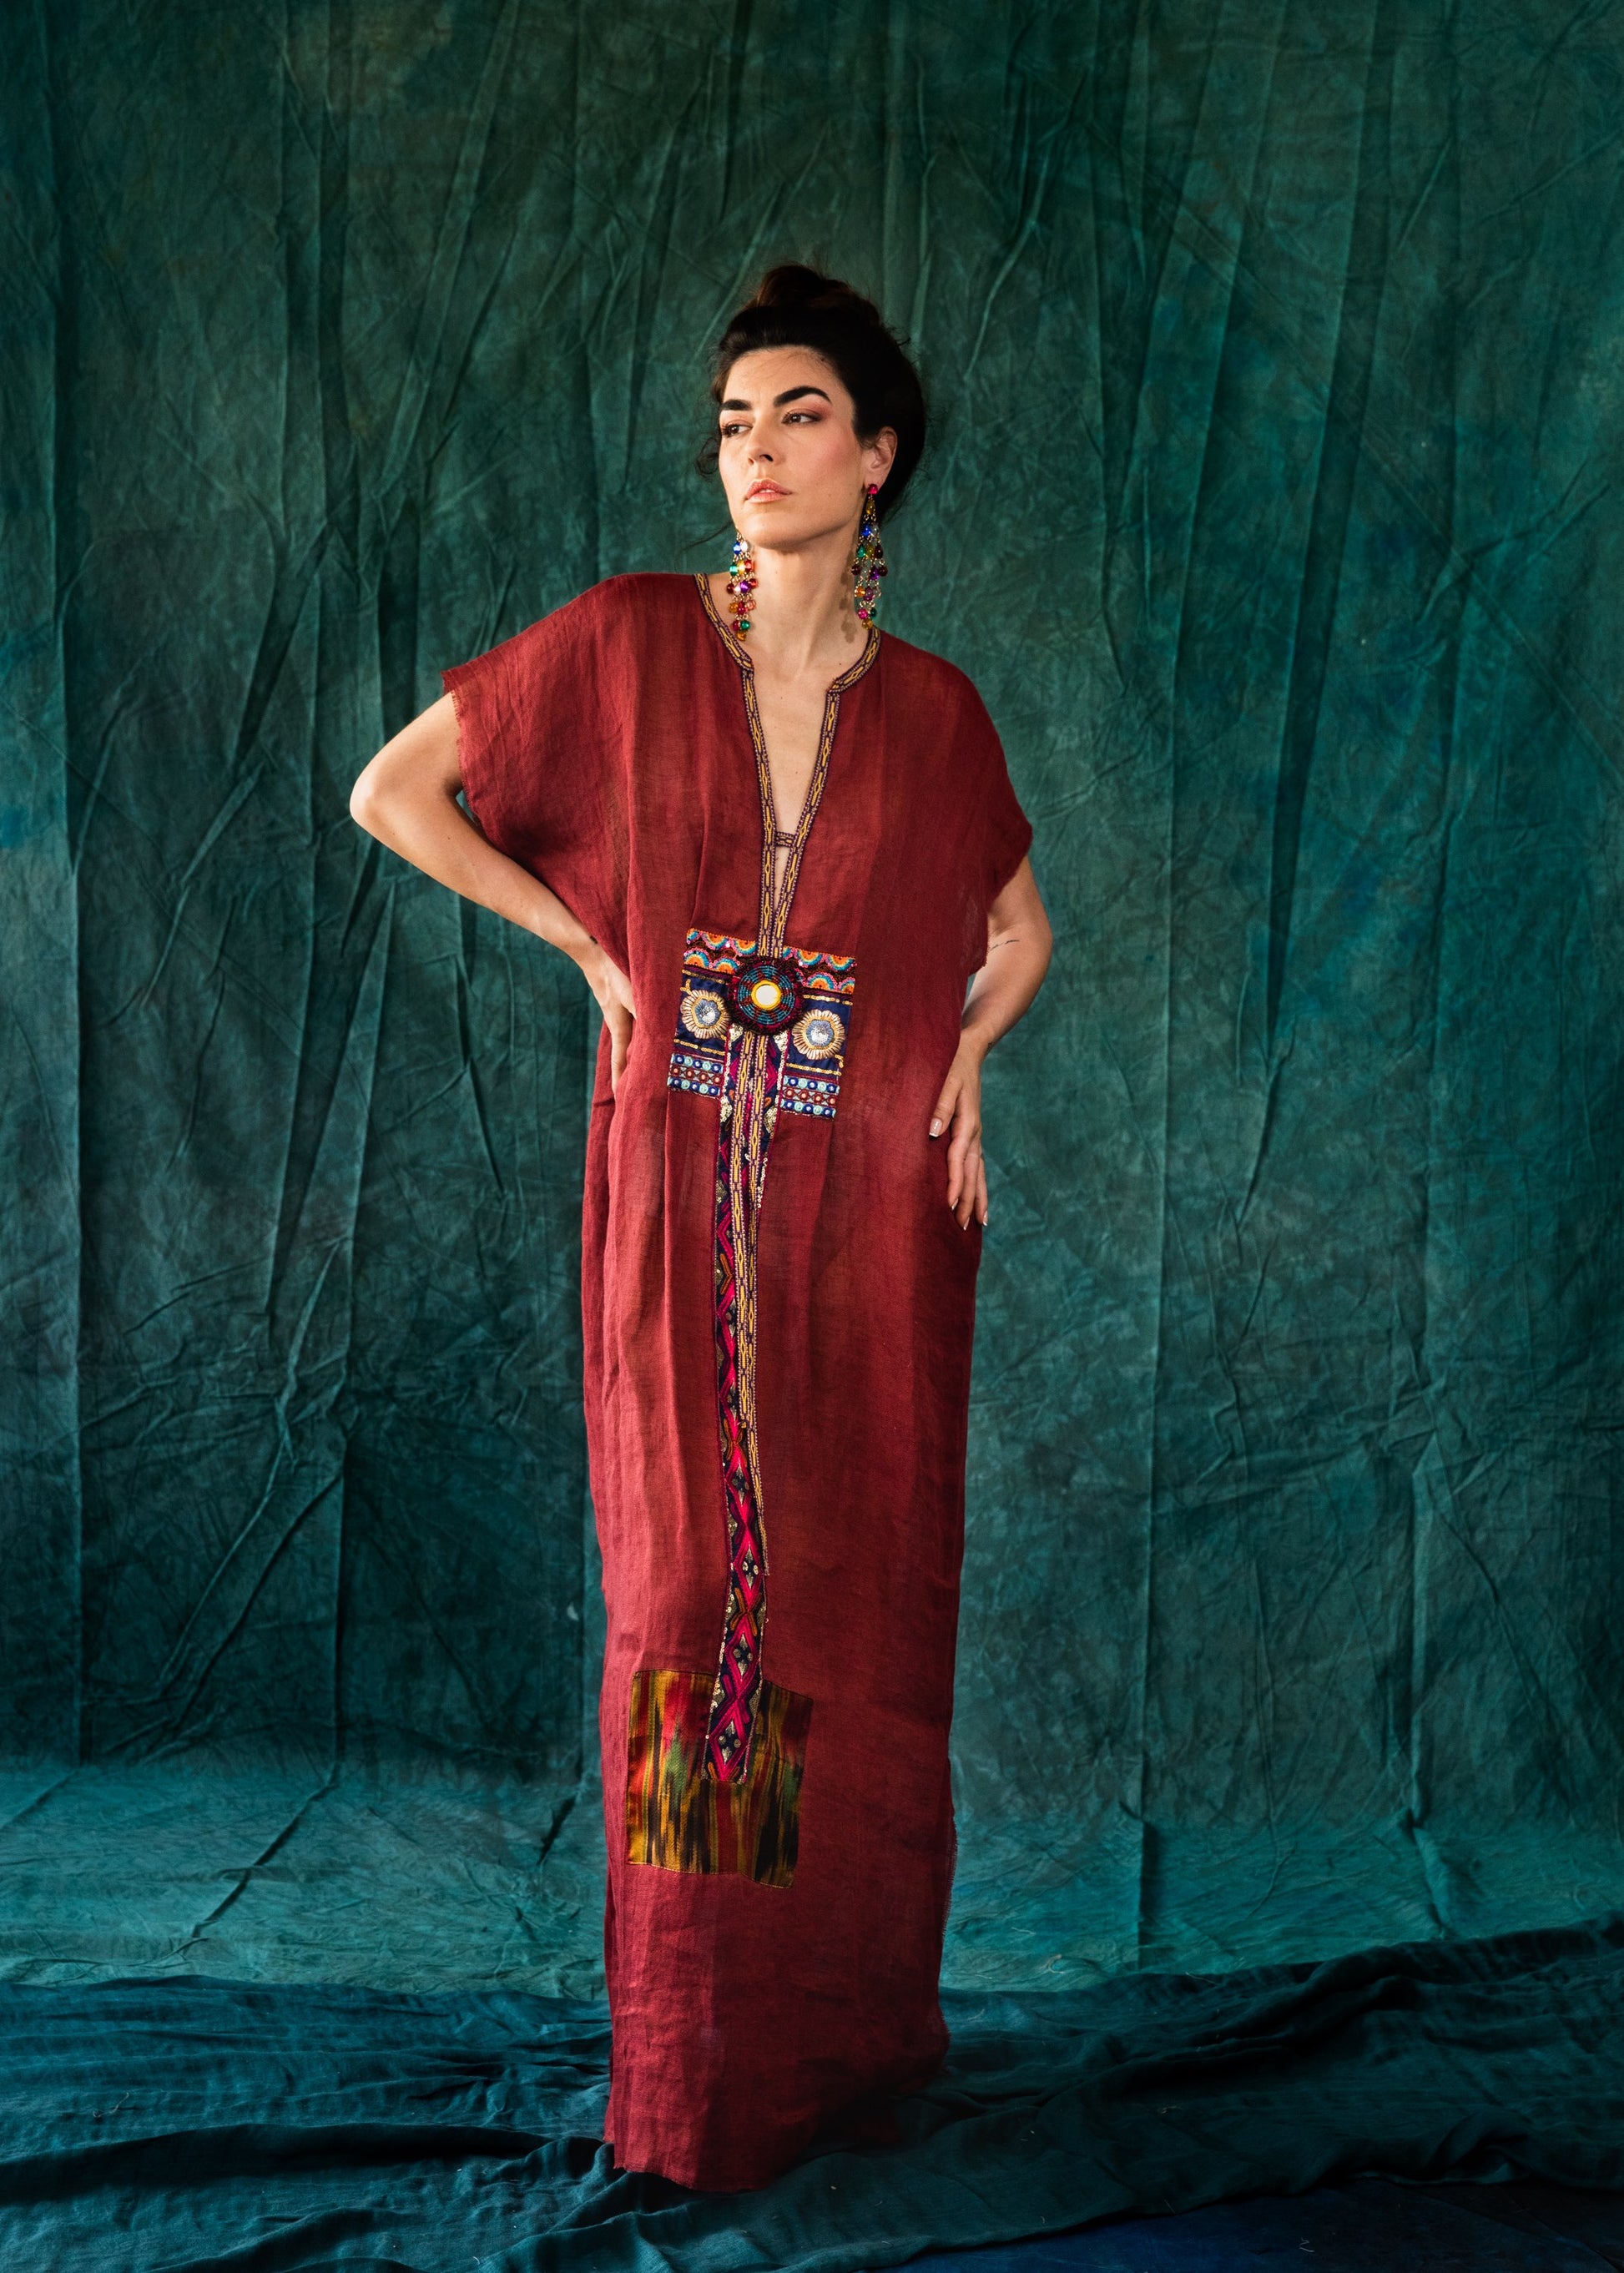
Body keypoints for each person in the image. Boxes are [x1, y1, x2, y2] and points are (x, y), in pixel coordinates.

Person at [349, 265, 1052, 2192]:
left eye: (800, 416)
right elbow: (395, 793)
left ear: (878, 455)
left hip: (870, 1219)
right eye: (735, 423)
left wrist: (968, 1057)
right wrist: (589, 947)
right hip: (675, 1199)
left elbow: (1016, 929)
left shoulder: (935, 714)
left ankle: (846, 2039)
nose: (758, 451)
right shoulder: (630, 642)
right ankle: (700, 2068)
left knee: (847, 1608)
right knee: (694, 1621)